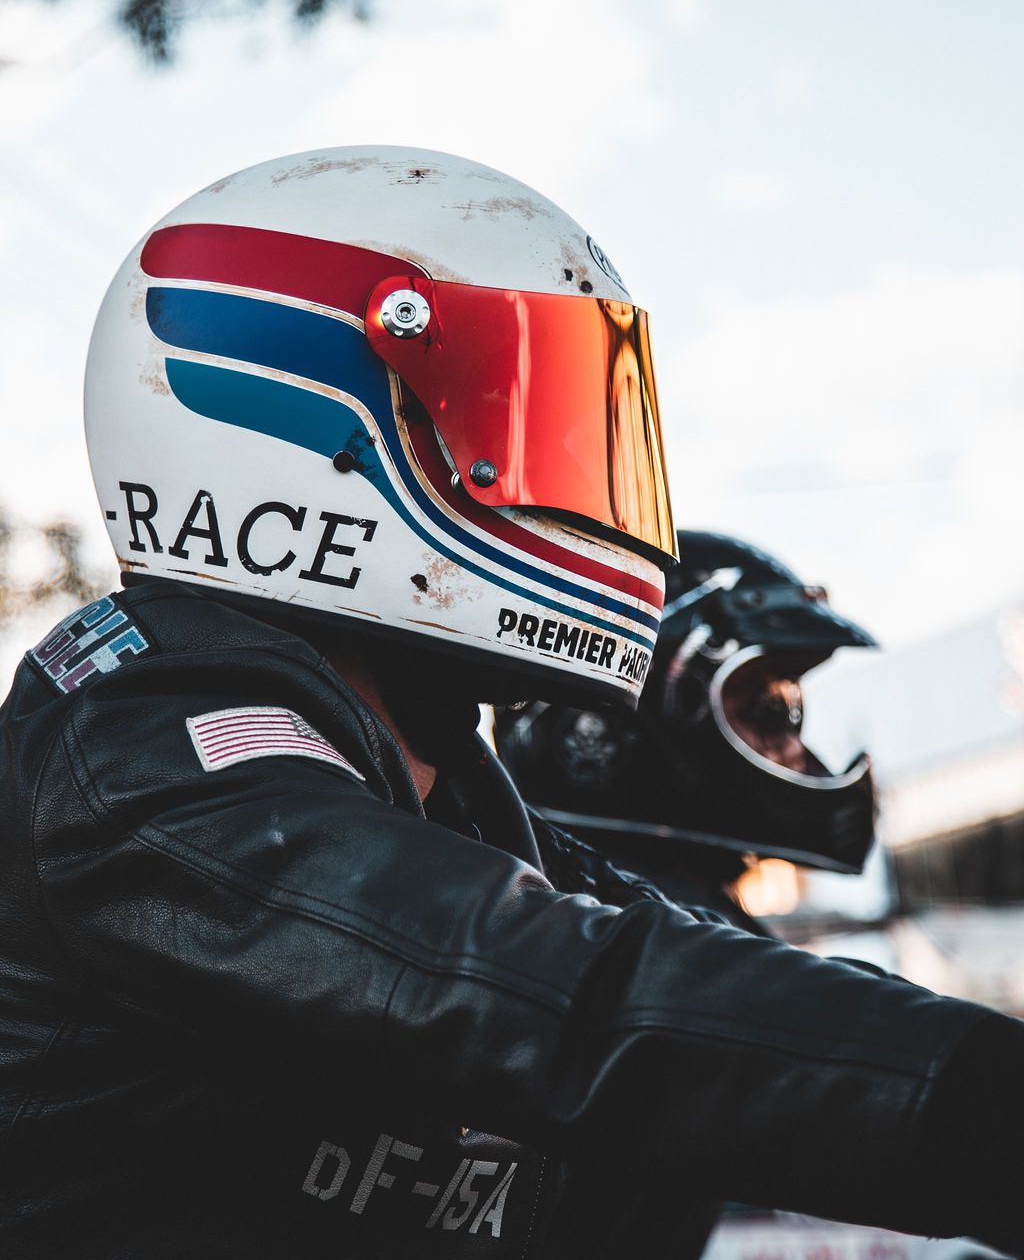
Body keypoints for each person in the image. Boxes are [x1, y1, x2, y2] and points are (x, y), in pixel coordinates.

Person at [0, 146, 1021, 1259]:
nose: (578, 475)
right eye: (512, 419)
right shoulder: (144, 739)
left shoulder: (450, 792)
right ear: (306, 427)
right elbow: (540, 991)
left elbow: (677, 963)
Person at [494, 528, 879, 932]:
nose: (794, 749)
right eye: (766, 708)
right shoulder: (626, 938)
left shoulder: (682, 914)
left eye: (789, 707)